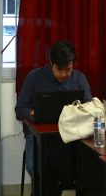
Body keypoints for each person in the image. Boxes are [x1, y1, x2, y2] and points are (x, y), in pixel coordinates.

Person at [15, 41, 92, 175]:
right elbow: (20, 109)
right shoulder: (34, 77)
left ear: (73, 64)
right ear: (51, 63)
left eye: (68, 69)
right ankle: (43, 195)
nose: (63, 74)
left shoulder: (79, 79)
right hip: (39, 137)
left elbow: (90, 108)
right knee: (35, 166)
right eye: (59, 69)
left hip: (72, 135)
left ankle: (56, 194)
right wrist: (32, 113)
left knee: (87, 164)